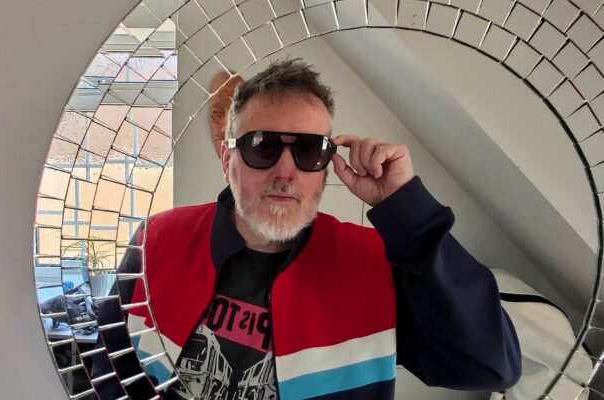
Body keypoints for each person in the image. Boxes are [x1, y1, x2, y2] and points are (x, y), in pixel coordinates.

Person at [91, 58, 521, 400]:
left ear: (326, 167)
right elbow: (107, 373)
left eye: (309, 151)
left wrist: (409, 212)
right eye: (263, 147)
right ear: (227, 160)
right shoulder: (156, 242)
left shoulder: (373, 266)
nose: (286, 171)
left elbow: (491, 365)